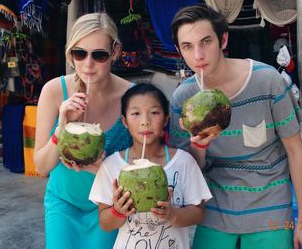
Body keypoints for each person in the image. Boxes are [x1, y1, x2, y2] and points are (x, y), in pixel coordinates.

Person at [169, 4, 302, 249]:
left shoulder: (267, 81)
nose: (198, 55)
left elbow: (295, 150)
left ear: (223, 39)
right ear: (178, 50)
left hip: (270, 209)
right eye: (187, 46)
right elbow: (188, 170)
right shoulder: (183, 99)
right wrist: (200, 147)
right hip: (214, 211)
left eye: (206, 42)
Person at [34, 12, 133, 249]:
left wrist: (104, 167)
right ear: (70, 54)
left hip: (109, 207)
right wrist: (62, 127)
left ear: (115, 53)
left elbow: (145, 163)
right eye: (80, 54)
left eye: (99, 55)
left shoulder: (132, 97)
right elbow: (41, 166)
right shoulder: (54, 91)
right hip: (63, 203)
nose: (88, 64)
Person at [89, 83, 212, 249]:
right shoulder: (111, 165)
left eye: (154, 113)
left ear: (166, 118)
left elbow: (198, 213)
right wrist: (117, 211)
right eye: (136, 113)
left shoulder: (184, 162)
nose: (145, 122)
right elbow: (105, 223)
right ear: (124, 121)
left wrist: (173, 214)